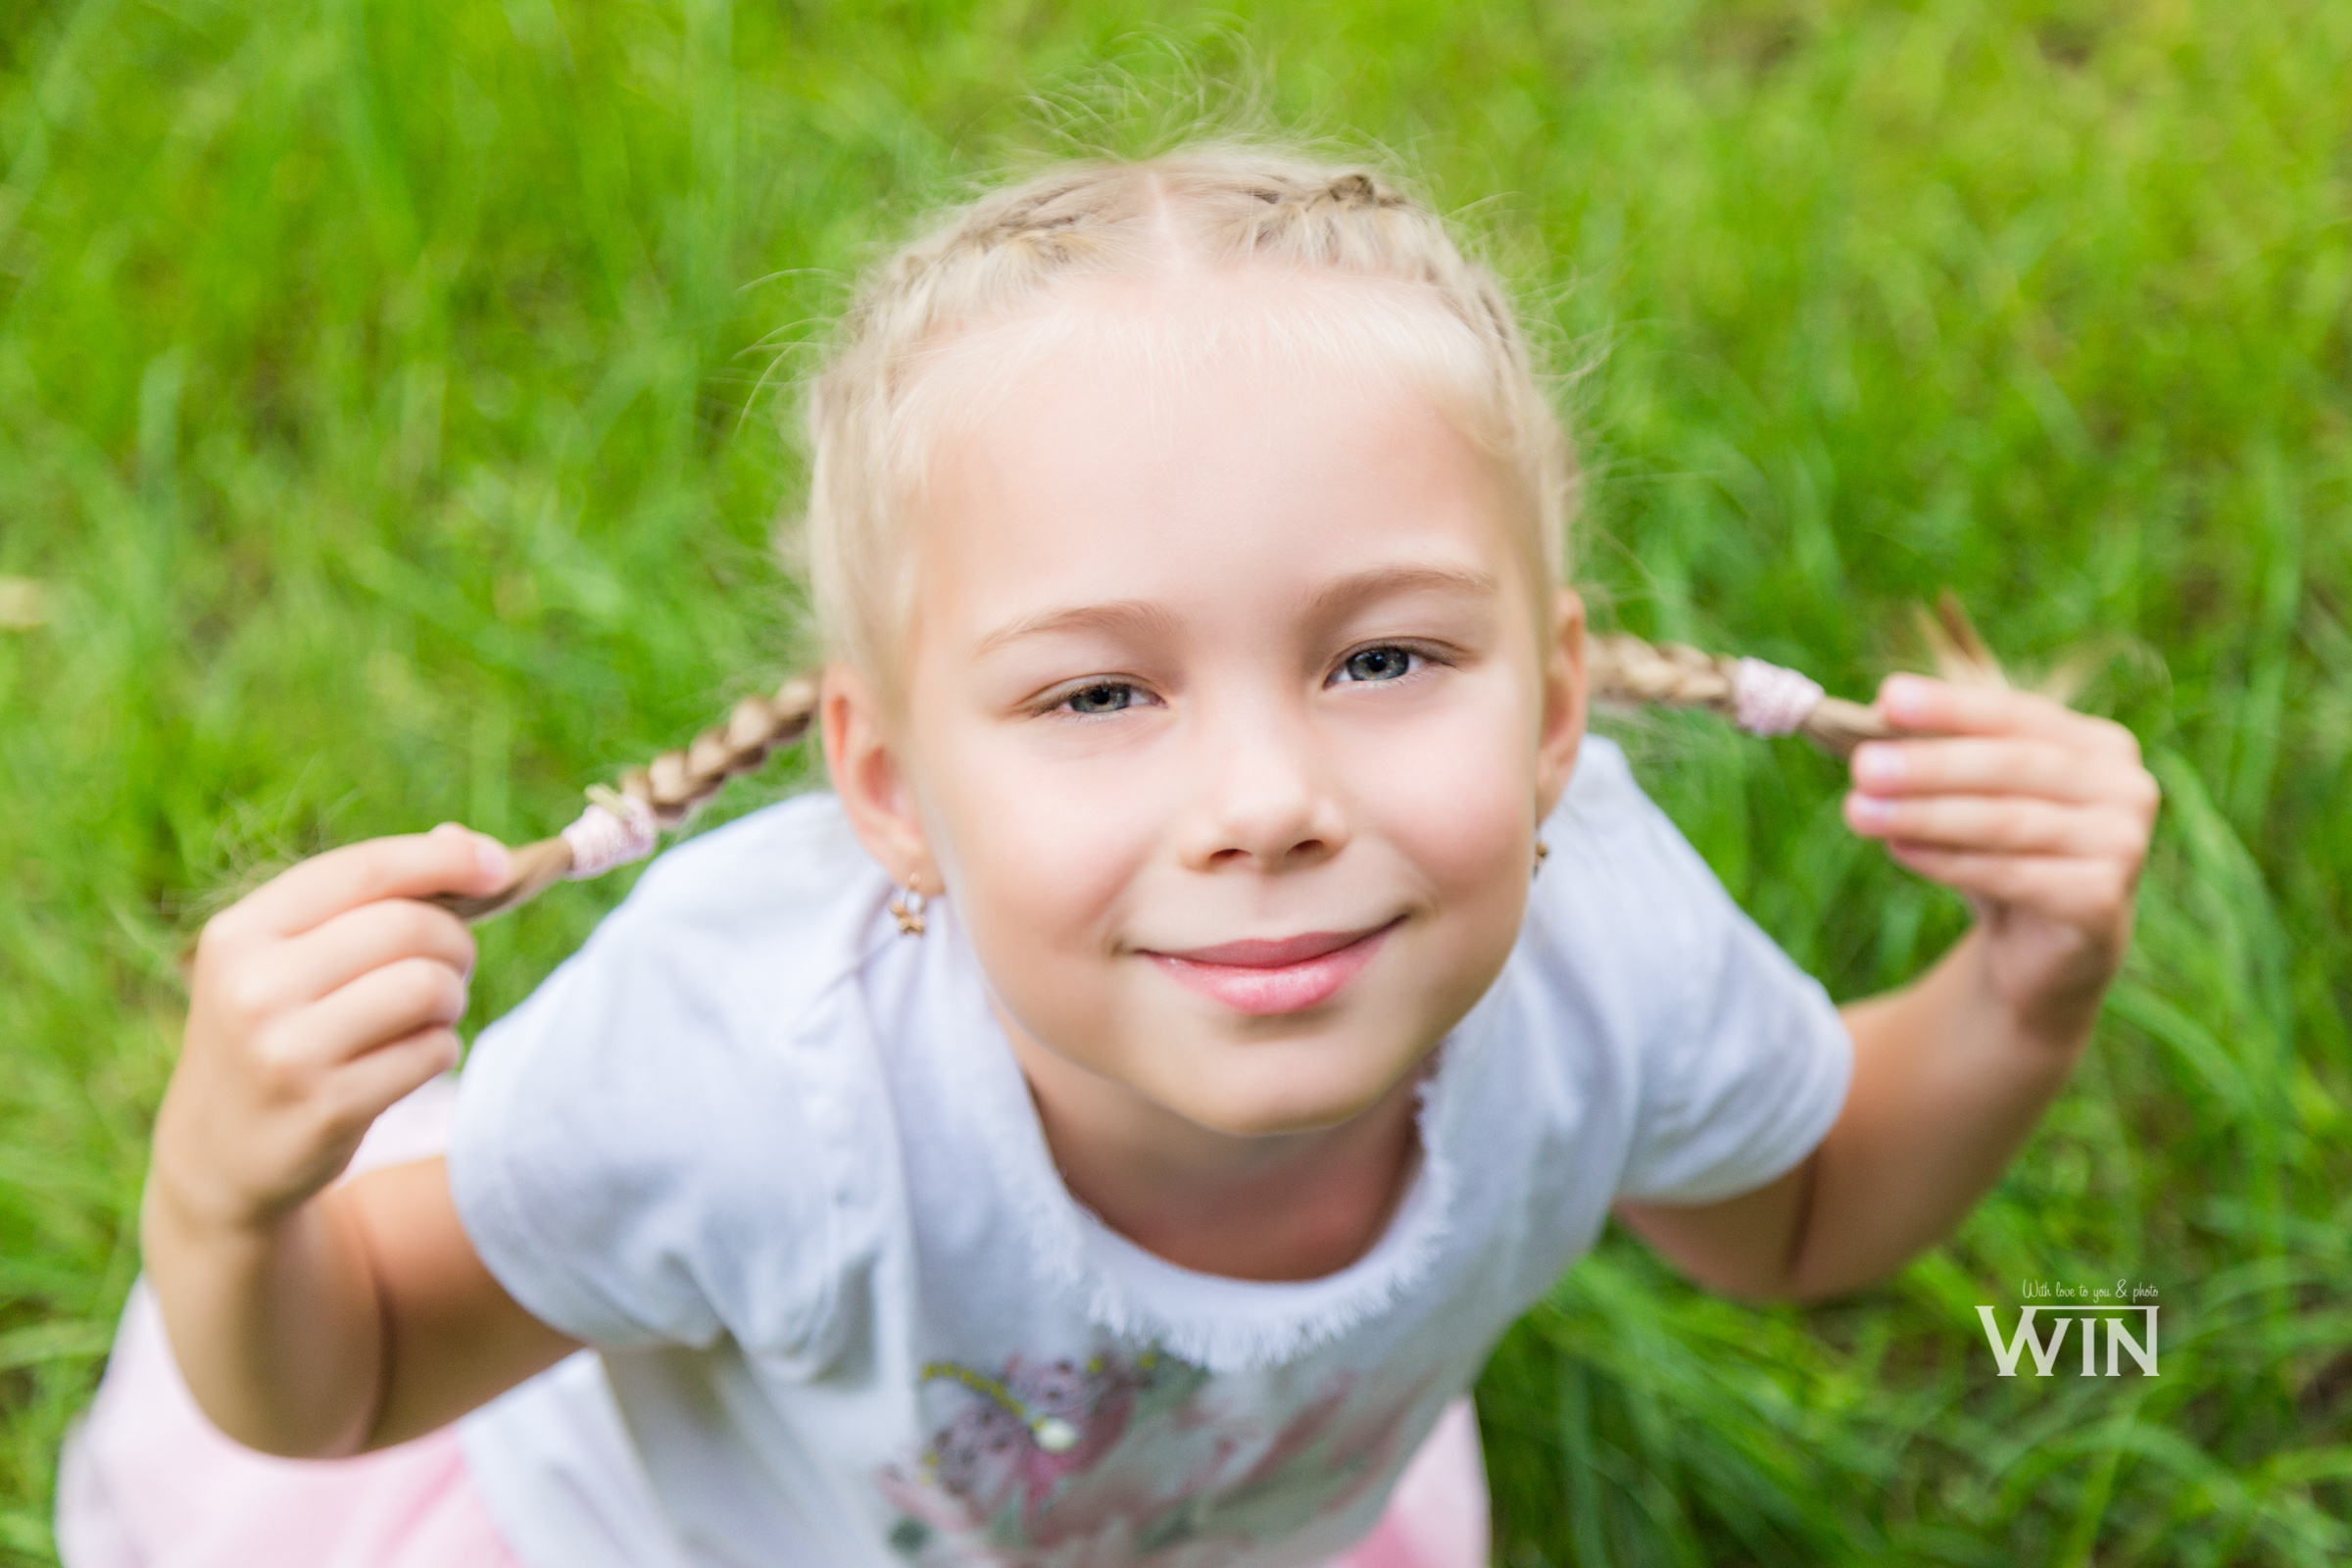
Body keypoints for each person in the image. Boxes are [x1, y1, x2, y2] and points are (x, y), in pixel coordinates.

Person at [56, 147, 2159, 1568]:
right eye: (1096, 695)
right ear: (889, 786)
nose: (1265, 797)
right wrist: (231, 1200)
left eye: (1385, 654)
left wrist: (2017, 989)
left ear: (1547, 713)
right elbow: (342, 1369)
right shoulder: (755, 1074)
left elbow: (1794, 1215)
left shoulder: (1593, 937)